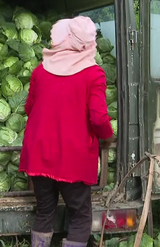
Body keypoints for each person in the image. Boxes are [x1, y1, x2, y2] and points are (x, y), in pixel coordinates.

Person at [19, 16, 116, 247]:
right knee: (80, 215)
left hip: (39, 154)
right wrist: (108, 137)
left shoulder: (41, 71)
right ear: (88, 44)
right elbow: (99, 117)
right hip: (73, 157)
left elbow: (29, 108)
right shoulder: (94, 74)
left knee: (44, 212)